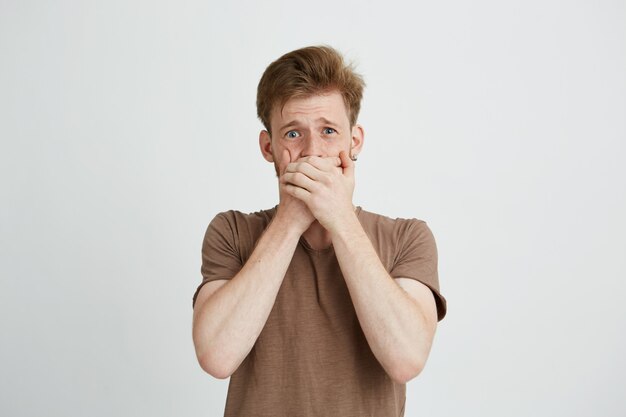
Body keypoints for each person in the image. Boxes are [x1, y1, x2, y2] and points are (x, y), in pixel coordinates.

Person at [191, 45, 447, 417]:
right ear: (269, 147)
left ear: (354, 141)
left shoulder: (407, 238)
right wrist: (290, 220)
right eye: (293, 134)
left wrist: (340, 219)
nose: (313, 152)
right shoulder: (231, 231)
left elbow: (406, 359)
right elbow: (216, 356)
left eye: (328, 131)